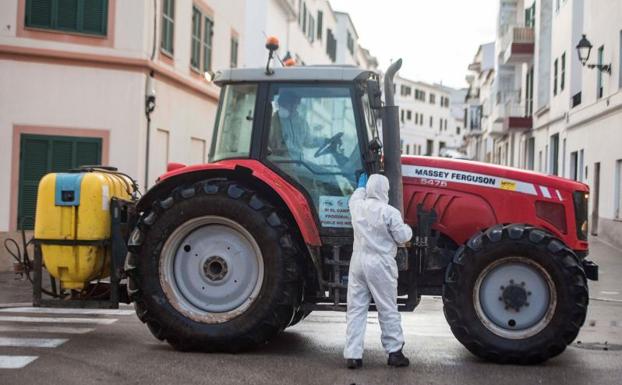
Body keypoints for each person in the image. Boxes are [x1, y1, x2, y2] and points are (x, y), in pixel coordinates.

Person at [344, 173, 413, 369]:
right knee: (387, 307)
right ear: (385, 190)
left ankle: (353, 355)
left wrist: (360, 186)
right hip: (380, 263)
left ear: (369, 189)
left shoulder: (357, 206)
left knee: (356, 308)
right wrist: (410, 230)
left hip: (357, 261)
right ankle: (394, 352)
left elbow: (355, 197)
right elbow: (402, 237)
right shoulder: (389, 212)